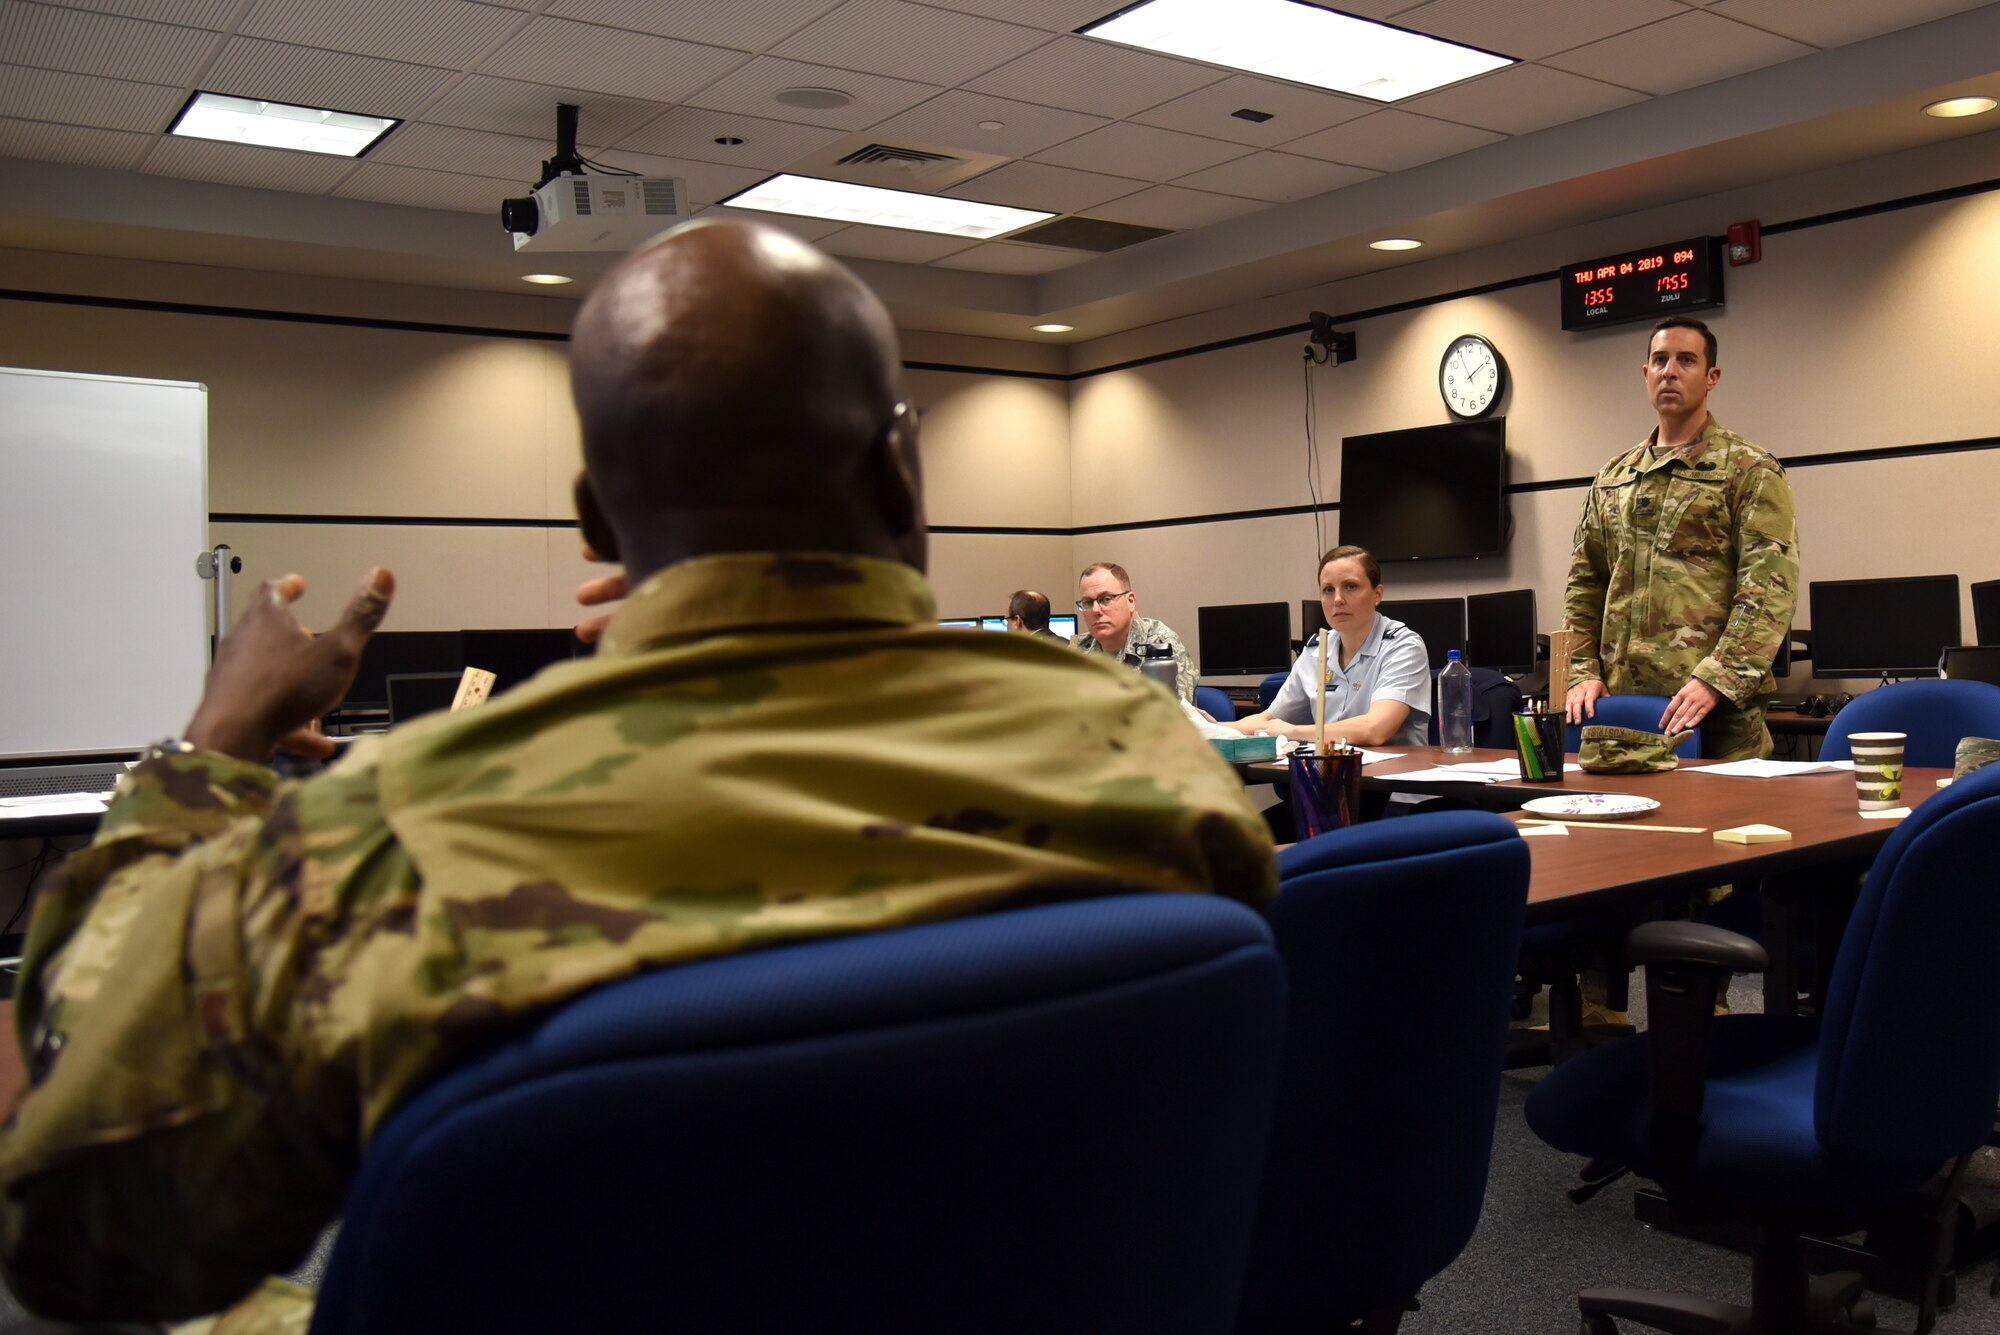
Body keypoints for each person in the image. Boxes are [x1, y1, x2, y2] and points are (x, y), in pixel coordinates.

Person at [0, 220, 1276, 1331]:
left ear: (595, 523)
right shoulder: (1142, 756)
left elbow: (93, 1229)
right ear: (899, 471)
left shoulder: (396, 837)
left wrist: (208, 750)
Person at [1562, 316, 1799, 761]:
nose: (1670, 370)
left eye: (1686, 360)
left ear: (1712, 377)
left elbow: (1767, 591)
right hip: (1619, 710)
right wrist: (1581, 672)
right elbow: (1585, 585)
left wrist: (1717, 678)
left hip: (1715, 712)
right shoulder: (1613, 477)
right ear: (1646, 374)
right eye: (1660, 360)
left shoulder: (1748, 469)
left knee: (1723, 828)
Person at [1226, 545, 1431, 748]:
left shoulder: (1403, 647)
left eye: (1351, 586)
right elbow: (1267, 720)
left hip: (1390, 776)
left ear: (1377, 594)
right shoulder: (1315, 650)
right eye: (1328, 590)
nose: (1338, 599)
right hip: (1330, 774)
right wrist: (1209, 728)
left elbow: (1375, 729)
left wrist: (1293, 732)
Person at [1072, 562, 1197, 704]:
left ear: (1130, 601)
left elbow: (1172, 715)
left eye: (1106, 599)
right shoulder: (1079, 649)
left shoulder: (1160, 644)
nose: (1095, 610)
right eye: (1087, 602)